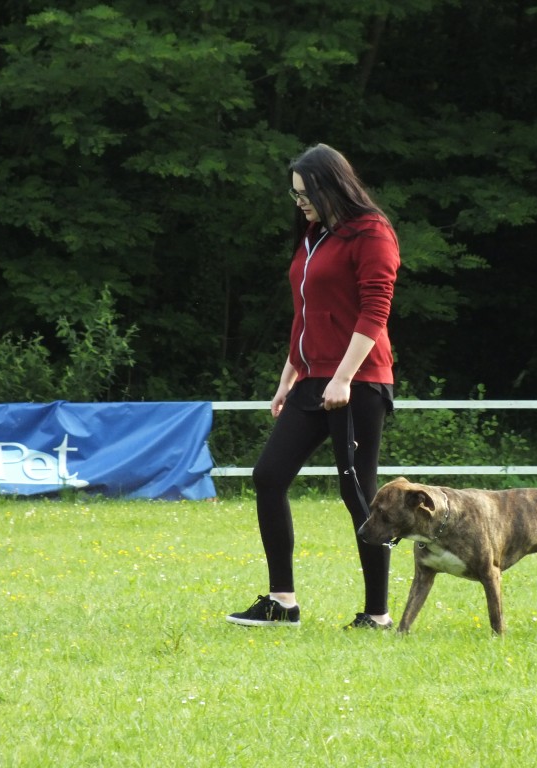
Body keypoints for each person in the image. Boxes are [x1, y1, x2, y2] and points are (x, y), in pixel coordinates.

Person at [226, 143, 400, 630]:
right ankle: (282, 602)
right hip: (311, 378)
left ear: (332, 186)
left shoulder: (372, 232)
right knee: (268, 476)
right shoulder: (313, 235)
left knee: (357, 492)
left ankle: (377, 614)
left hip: (357, 380)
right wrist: (289, 376)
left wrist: (344, 377)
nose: (299, 202)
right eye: (295, 193)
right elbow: (306, 313)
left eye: (305, 193)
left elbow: (375, 309)